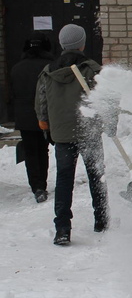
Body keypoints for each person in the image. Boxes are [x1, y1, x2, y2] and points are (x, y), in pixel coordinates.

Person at [34, 24, 111, 246]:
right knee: (96, 176)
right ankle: (101, 220)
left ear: (61, 44)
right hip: (89, 132)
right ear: (82, 44)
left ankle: (62, 229)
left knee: (64, 179)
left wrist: (45, 124)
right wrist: (109, 121)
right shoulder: (92, 69)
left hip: (62, 133)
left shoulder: (48, 71)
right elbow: (107, 98)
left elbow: (42, 100)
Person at [10, 31, 54, 203]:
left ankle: (36, 185)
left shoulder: (17, 68)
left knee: (30, 151)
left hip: (24, 116)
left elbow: (13, 93)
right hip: (45, 115)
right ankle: (42, 182)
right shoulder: (50, 66)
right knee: (43, 149)